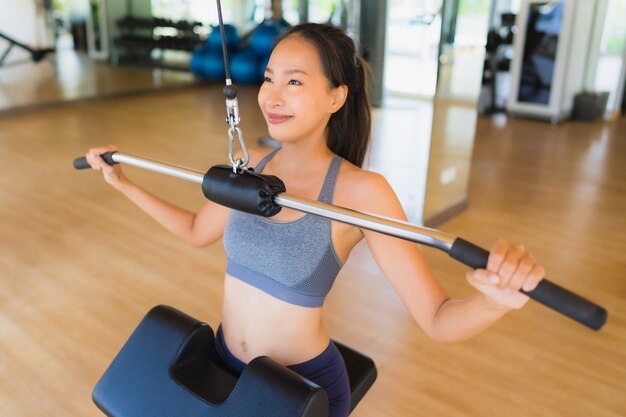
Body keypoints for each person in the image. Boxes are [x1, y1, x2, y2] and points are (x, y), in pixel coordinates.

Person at [85, 23, 545, 417]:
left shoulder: (360, 193)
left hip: (297, 389)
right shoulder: (254, 168)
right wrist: (122, 183)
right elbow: (195, 231)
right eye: (268, 79)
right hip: (223, 364)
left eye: (295, 82)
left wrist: (495, 301)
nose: (272, 96)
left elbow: (439, 320)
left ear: (336, 96)